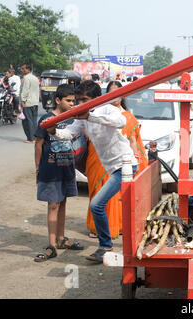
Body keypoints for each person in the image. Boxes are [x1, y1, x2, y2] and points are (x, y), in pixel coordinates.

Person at [44, 80, 138, 264]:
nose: (80, 104)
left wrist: (90, 117)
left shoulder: (108, 109)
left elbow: (121, 121)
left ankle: (105, 247)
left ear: (97, 99)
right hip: (111, 168)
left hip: (125, 166)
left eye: (85, 99)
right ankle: (109, 245)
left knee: (97, 205)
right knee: (109, 206)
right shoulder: (82, 116)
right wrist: (53, 131)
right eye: (78, 100)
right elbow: (68, 134)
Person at [85, 81, 148, 238]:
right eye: (111, 92)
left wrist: (135, 161)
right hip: (97, 157)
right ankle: (96, 228)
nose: (114, 96)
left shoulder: (126, 116)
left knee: (115, 196)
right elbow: (87, 134)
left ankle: (116, 227)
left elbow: (133, 141)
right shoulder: (96, 112)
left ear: (123, 95)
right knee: (97, 192)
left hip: (119, 160)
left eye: (118, 92)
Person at [34, 84, 84, 262]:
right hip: (51, 169)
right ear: (57, 100)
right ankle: (52, 244)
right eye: (68, 100)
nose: (72, 103)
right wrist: (38, 167)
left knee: (62, 203)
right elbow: (39, 143)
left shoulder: (73, 119)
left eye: (73, 100)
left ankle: (61, 239)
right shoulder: (47, 119)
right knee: (53, 205)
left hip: (67, 169)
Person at [20, 63, 40, 143]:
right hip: (35, 102)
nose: (22, 70)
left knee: (27, 121)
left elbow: (25, 90)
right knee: (33, 121)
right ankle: (34, 137)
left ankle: (30, 138)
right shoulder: (35, 78)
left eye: (23, 68)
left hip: (27, 102)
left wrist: (22, 101)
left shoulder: (26, 78)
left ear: (28, 70)